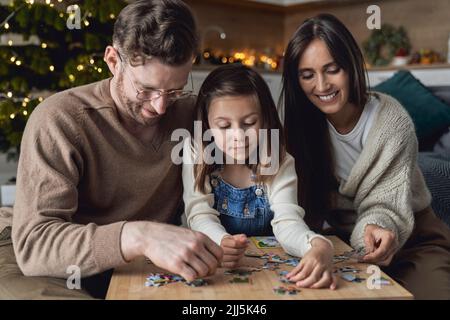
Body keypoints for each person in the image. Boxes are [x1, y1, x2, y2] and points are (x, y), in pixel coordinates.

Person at [1, 0, 222, 299]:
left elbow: (261, 145)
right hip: (27, 253)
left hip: (132, 260)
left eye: (174, 90)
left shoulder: (191, 112)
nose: (159, 106)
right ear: (113, 61)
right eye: (145, 90)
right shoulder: (60, 118)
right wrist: (139, 235)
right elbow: (36, 245)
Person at [281, 13, 450, 299]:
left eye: (332, 69)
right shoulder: (300, 128)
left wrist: (374, 231)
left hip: (411, 237)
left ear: (351, 66)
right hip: (338, 243)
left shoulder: (391, 120)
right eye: (307, 75)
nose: (321, 86)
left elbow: (386, 205)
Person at [182, 64, 337, 289]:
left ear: (265, 119)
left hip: (264, 274)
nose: (238, 136)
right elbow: (198, 215)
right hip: (212, 266)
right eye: (224, 126)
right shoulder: (196, 151)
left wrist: (317, 245)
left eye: (249, 123)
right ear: (206, 124)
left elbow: (288, 221)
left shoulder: (279, 158)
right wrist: (221, 242)